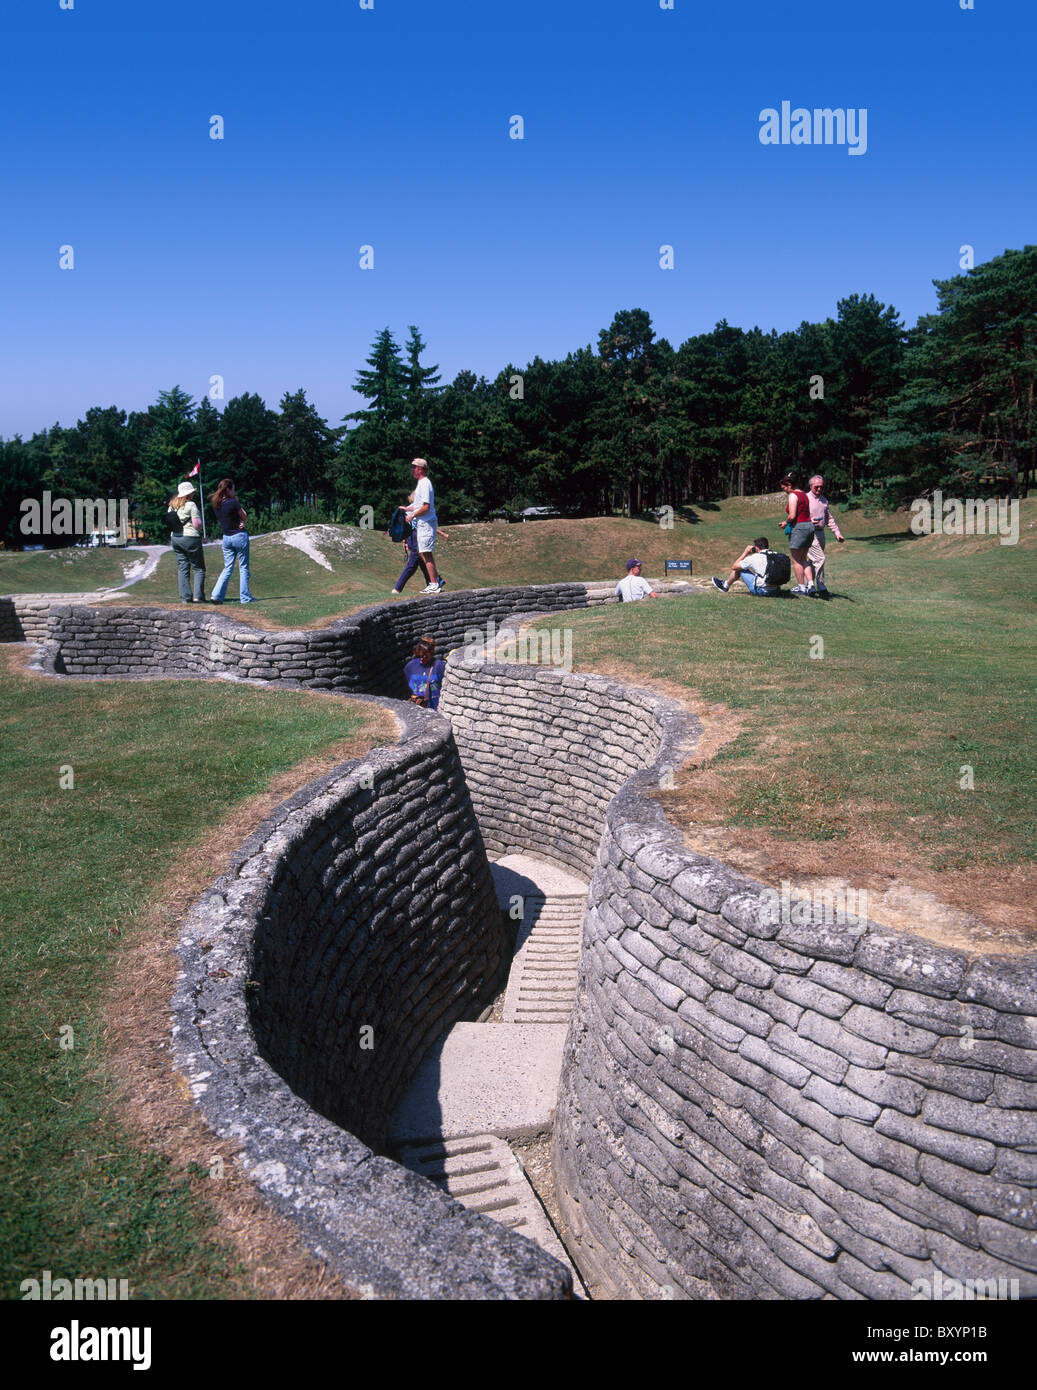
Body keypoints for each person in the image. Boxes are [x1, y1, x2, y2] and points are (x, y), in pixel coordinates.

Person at [209, 478, 254, 604]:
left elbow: (231, 518)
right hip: (239, 536)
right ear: (228, 489)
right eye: (233, 489)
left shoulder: (216, 504)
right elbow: (244, 516)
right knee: (243, 567)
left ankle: (216, 595)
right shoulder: (233, 502)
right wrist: (237, 502)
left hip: (226, 538)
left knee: (227, 568)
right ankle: (245, 598)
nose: (235, 491)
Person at [403, 459, 444, 594]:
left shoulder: (425, 483)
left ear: (421, 469)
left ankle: (434, 583)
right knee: (423, 552)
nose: (412, 470)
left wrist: (412, 515)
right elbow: (419, 503)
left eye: (414, 467)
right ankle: (436, 581)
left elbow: (426, 507)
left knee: (426, 553)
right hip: (423, 523)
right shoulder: (421, 484)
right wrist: (407, 508)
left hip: (426, 522)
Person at [806, 474, 845, 597]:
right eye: (816, 487)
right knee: (820, 559)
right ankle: (816, 587)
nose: (819, 489)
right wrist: (809, 521)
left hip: (820, 533)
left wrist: (837, 533)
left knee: (814, 561)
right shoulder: (805, 498)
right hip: (809, 533)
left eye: (821, 487)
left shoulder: (824, 500)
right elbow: (799, 517)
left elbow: (829, 519)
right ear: (811, 486)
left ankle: (813, 586)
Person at [167, 481, 206, 603]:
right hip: (190, 538)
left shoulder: (171, 506)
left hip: (175, 539)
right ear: (189, 493)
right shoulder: (191, 505)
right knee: (198, 568)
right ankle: (198, 597)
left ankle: (185, 598)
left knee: (183, 568)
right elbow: (197, 525)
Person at [779, 474, 816, 595]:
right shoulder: (804, 495)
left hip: (799, 528)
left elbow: (792, 515)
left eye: (784, 488)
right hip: (809, 527)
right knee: (804, 558)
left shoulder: (793, 495)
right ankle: (810, 585)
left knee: (796, 560)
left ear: (789, 485)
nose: (784, 490)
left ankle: (801, 587)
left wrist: (786, 522)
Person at [711, 537, 787, 595]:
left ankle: (725, 585)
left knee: (740, 569)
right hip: (777, 589)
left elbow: (734, 567)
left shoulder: (754, 557)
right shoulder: (775, 554)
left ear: (756, 548)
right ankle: (725, 584)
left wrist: (745, 553)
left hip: (762, 591)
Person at [404, 635, 447, 709]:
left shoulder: (440, 666)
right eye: (419, 656)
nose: (421, 659)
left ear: (431, 653)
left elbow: (446, 686)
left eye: (425, 656)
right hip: (419, 705)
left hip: (436, 706)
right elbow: (409, 683)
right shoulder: (410, 666)